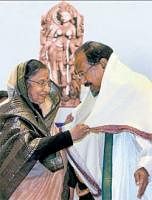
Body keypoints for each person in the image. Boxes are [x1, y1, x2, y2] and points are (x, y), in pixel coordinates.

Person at [64, 41, 152, 200]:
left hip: (134, 175)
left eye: (83, 73)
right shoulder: (97, 94)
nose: (83, 81)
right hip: (109, 176)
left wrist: (146, 167)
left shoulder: (138, 87)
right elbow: (85, 117)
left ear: (103, 64)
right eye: (79, 75)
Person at [0, 59, 90, 200]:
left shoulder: (39, 114)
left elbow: (54, 146)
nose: (47, 90)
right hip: (24, 193)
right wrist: (68, 136)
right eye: (41, 83)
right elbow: (30, 149)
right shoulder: (14, 115)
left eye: (48, 83)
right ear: (24, 84)